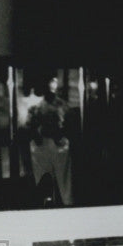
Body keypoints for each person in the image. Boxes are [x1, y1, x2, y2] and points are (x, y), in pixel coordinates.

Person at [26, 75, 73, 206]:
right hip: (42, 146)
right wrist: (37, 136)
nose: (50, 87)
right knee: (43, 179)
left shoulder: (62, 105)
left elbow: (69, 125)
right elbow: (30, 126)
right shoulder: (36, 106)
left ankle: (65, 204)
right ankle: (46, 203)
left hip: (59, 145)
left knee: (63, 180)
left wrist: (60, 135)